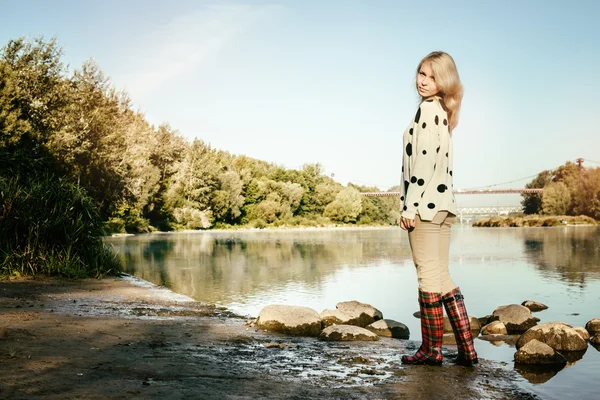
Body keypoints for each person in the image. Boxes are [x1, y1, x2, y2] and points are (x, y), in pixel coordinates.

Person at [398, 51, 478, 367]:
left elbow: (423, 164)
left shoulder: (428, 111)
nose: (423, 81)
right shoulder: (443, 113)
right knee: (442, 276)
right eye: (421, 73)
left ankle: (431, 351)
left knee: (427, 277)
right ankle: (468, 350)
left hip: (426, 208)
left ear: (443, 81)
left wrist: (410, 207)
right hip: (443, 206)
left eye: (431, 76)